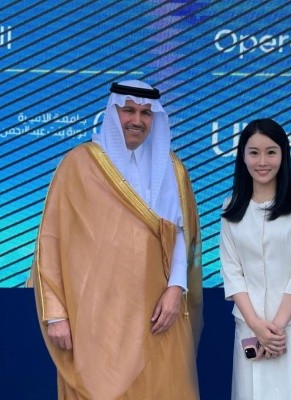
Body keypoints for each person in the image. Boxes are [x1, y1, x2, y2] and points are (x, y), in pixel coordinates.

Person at [26, 80, 203, 399]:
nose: (137, 120)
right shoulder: (79, 164)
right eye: (129, 110)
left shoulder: (172, 169)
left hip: (157, 313)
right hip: (93, 318)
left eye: (146, 113)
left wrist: (176, 289)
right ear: (112, 112)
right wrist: (56, 313)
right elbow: (50, 242)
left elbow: (180, 235)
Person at [220, 118, 291, 399]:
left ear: (283, 155)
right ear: (242, 156)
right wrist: (257, 326)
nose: (262, 162)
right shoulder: (231, 207)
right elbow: (232, 272)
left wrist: (274, 331)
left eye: (271, 152)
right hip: (250, 328)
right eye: (254, 152)